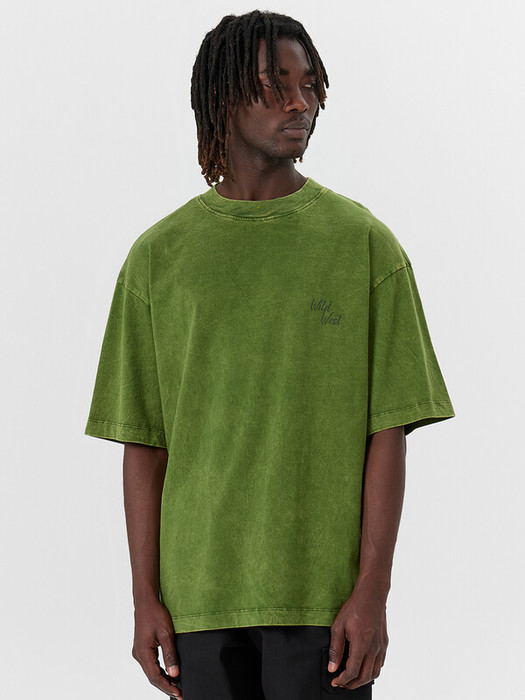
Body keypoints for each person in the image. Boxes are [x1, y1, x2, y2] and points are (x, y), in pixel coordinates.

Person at [84, 9, 455, 700]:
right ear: (220, 96)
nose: (300, 102)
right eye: (274, 84)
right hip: (197, 604)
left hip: (323, 606)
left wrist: (371, 592)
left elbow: (388, 432)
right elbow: (145, 444)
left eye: (309, 84)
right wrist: (144, 598)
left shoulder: (363, 245)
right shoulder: (158, 259)